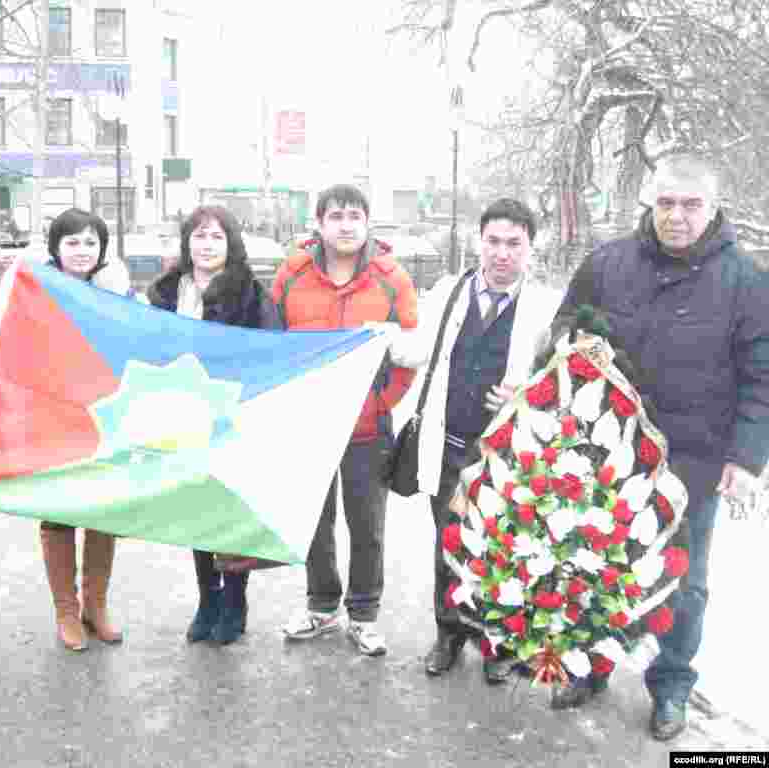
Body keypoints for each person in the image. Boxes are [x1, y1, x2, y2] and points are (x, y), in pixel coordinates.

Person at [545, 156, 769, 741]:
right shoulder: (608, 264)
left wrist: (747, 458)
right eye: (666, 203)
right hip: (606, 451)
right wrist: (572, 341)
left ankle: (671, 685)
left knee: (683, 581)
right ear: (650, 203)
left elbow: (762, 376)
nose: (677, 216)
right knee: (593, 563)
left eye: (691, 204)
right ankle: (590, 664)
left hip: (693, 459)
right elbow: (566, 324)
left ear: (713, 208)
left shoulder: (747, 282)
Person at [389, 198, 562, 683]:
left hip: (507, 456)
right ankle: (449, 634)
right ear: (478, 242)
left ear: (530, 248)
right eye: (493, 241)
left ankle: (497, 642)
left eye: (514, 244)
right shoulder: (449, 292)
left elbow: (560, 380)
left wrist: (528, 394)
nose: (502, 253)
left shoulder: (546, 309)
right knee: (449, 544)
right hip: (449, 448)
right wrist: (369, 337)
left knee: (504, 548)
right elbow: (415, 348)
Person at [276, 184, 417, 657]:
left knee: (367, 526)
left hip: (367, 427)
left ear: (367, 222)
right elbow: (274, 342)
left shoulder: (391, 279)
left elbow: (409, 353)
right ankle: (321, 605)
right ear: (319, 224)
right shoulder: (293, 275)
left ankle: (363, 614)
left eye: (355, 215)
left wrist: (382, 402)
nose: (346, 225)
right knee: (315, 522)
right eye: (335, 216)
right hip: (308, 425)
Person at [148, 205, 279, 645]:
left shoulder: (250, 294)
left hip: (232, 416)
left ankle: (235, 602)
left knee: (229, 512)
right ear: (187, 242)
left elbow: (269, 350)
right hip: (182, 417)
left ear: (231, 244)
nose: (207, 245)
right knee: (197, 512)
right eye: (199, 236)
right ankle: (208, 599)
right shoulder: (166, 291)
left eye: (216, 236)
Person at [38, 207, 135, 651]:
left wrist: (122, 298)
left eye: (91, 242)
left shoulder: (118, 291)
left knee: (103, 511)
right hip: (54, 417)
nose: (82, 250)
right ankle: (66, 611)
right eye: (72, 242)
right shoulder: (37, 290)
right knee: (59, 513)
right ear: (56, 248)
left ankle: (96, 607)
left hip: (105, 415)